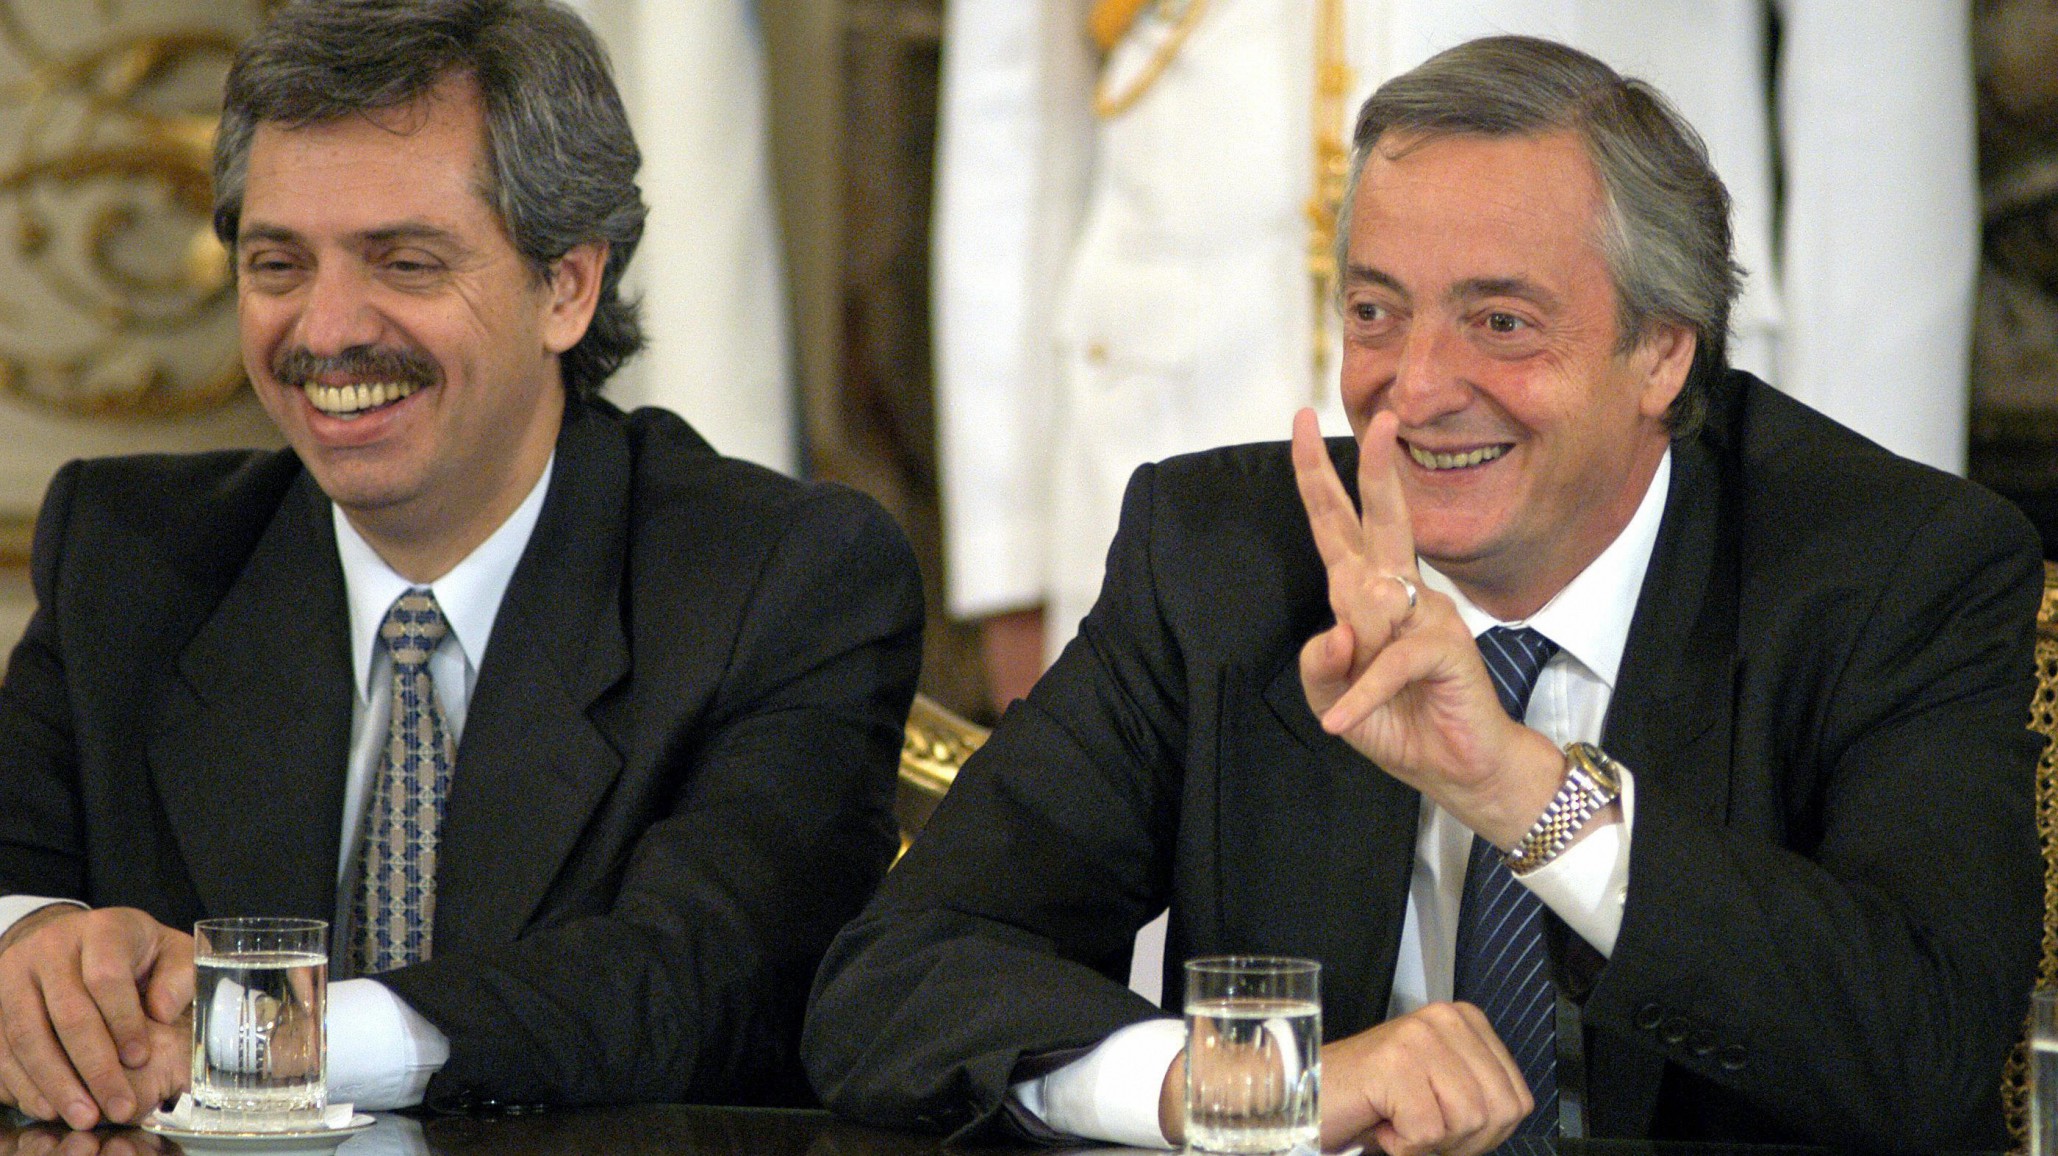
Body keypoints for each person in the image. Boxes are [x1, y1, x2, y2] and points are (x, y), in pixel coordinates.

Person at [805, 34, 2041, 1155]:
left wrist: (1516, 788)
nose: (1417, 387)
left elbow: (1919, 1051)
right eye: (1376, 312)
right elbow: (896, 981)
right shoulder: (1226, 558)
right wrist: (1263, 1083)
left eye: (1503, 323)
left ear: (1664, 351)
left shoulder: (1890, 572)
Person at [0, 0, 923, 1130]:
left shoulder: (779, 580)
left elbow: (700, 983)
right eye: (278, 262)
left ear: (567, 287)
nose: (328, 329)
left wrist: (285, 1028)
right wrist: (33, 949)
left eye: (406, 261)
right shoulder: (130, 556)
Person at [934, 0, 1981, 705]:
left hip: (1617, 438)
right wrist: (1012, 549)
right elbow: (1012, 91)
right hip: (1163, 408)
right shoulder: (1169, 553)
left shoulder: (1853, 590)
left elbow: (1874, 81)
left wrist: (1869, 571)